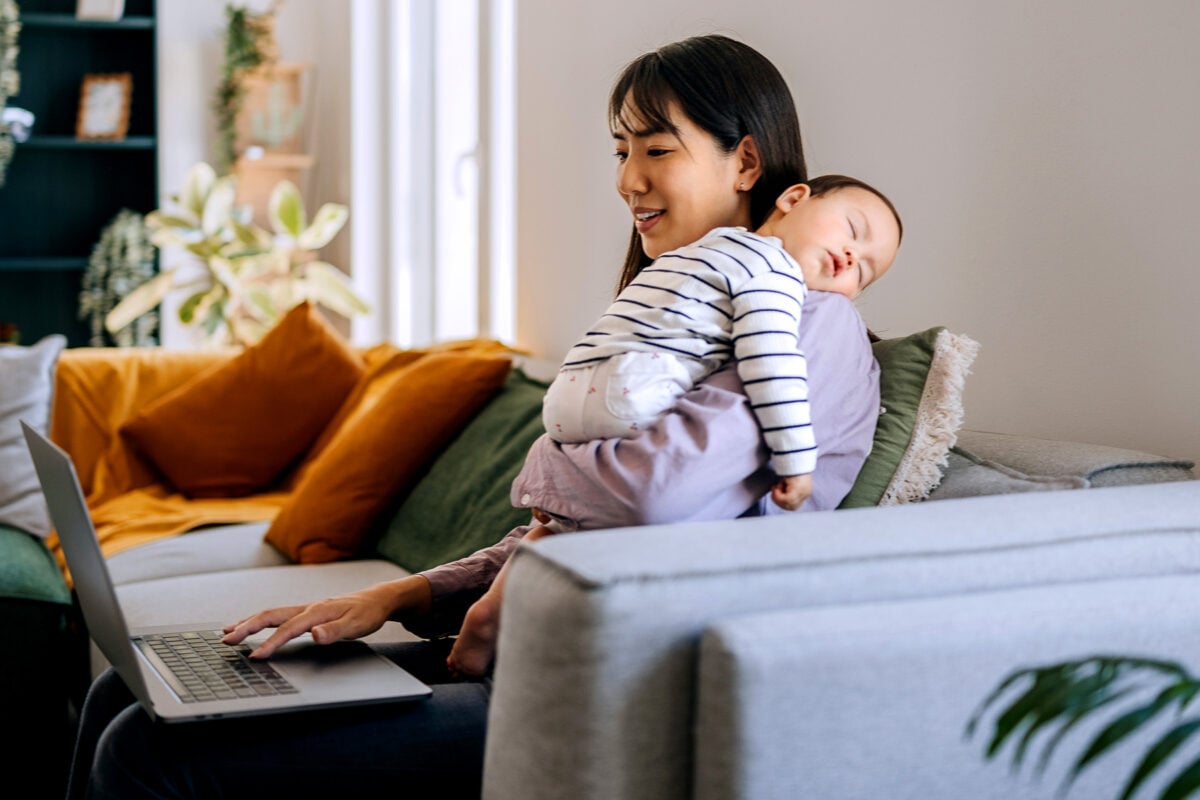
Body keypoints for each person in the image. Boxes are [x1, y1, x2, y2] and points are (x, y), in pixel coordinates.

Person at [67, 35, 882, 799]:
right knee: (124, 693)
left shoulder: (810, 322)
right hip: (544, 646)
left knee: (147, 751)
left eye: (657, 149)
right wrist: (403, 596)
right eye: (622, 150)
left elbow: (646, 499)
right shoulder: (683, 313)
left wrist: (543, 470)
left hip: (620, 686)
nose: (629, 179)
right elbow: (570, 532)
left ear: (746, 161)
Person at [446, 174, 902, 677]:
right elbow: (772, 367)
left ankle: (487, 614)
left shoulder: (705, 251)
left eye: (865, 271)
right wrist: (795, 461)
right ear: (793, 198)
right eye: (852, 231)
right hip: (631, 396)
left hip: (570, 400)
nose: (849, 257)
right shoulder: (773, 276)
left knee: (562, 527)